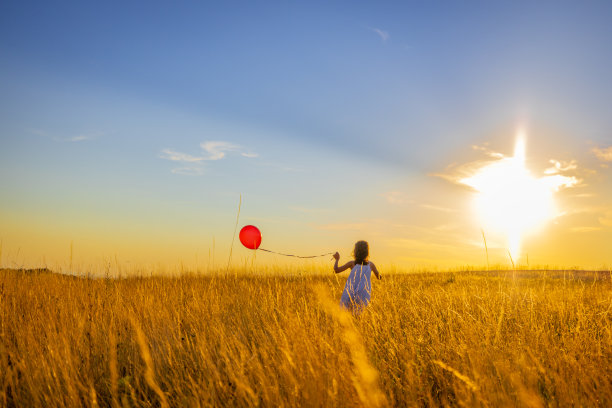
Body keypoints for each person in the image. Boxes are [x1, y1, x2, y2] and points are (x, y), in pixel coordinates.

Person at [333, 240, 381, 310]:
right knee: (359, 315)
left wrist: (337, 259)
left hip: (350, 292)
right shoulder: (371, 265)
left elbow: (336, 270)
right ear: (367, 252)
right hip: (363, 294)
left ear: (355, 252)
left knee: (347, 313)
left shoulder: (352, 263)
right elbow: (379, 277)